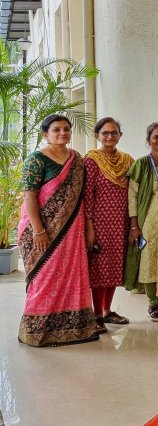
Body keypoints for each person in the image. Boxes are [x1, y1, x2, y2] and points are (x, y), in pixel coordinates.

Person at [17, 115, 99, 347]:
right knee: (43, 278)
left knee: (71, 276)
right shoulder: (36, 159)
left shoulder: (77, 160)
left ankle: (76, 328)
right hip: (40, 230)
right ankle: (37, 331)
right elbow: (29, 196)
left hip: (72, 230)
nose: (62, 133)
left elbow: (82, 197)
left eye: (66, 129)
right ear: (45, 134)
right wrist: (39, 231)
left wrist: (88, 228)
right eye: (56, 130)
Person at [85, 117, 134, 333]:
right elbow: (87, 196)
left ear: (120, 135)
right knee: (99, 268)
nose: (110, 137)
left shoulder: (127, 160)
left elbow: (134, 192)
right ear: (97, 135)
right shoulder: (91, 160)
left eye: (114, 133)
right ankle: (96, 314)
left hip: (121, 221)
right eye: (105, 133)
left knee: (114, 265)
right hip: (99, 222)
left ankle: (107, 310)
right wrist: (89, 227)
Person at [128, 123, 158, 322]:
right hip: (147, 220)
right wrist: (134, 225)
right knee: (149, 260)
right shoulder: (141, 164)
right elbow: (132, 196)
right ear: (148, 140)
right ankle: (152, 304)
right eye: (156, 137)